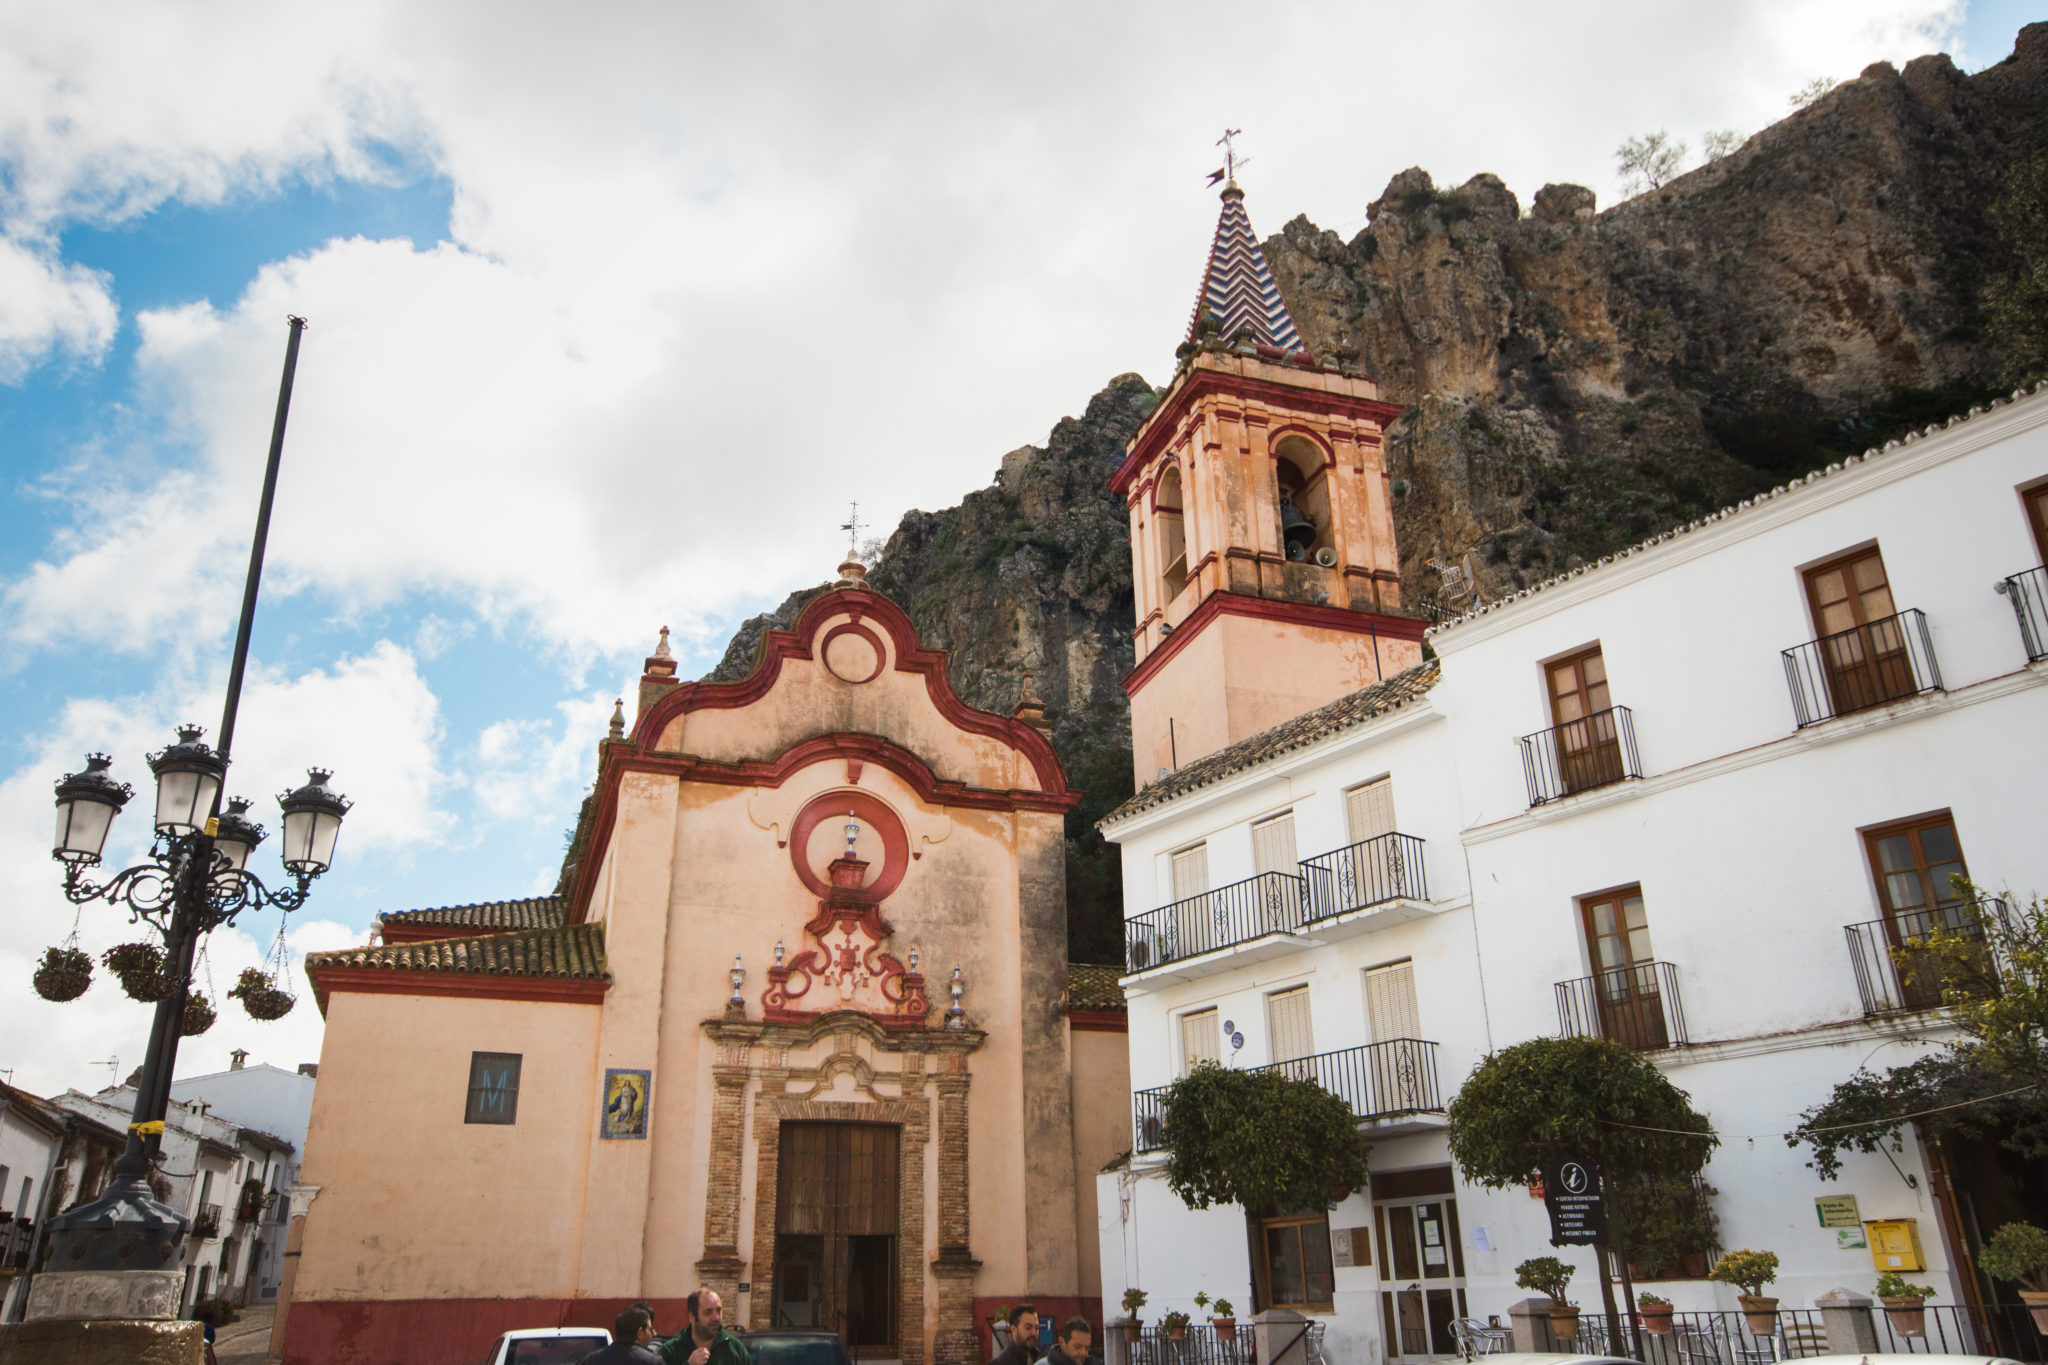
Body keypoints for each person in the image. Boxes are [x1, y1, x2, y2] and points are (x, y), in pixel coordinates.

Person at [658, 1287, 749, 1365]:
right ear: (692, 1317)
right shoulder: (670, 1351)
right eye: (708, 1312)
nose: (716, 1317)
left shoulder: (735, 1348)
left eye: (718, 1311)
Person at [580, 1305, 663, 1364]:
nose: (651, 1334)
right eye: (650, 1329)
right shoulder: (652, 1361)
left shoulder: (591, 1360)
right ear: (640, 1332)